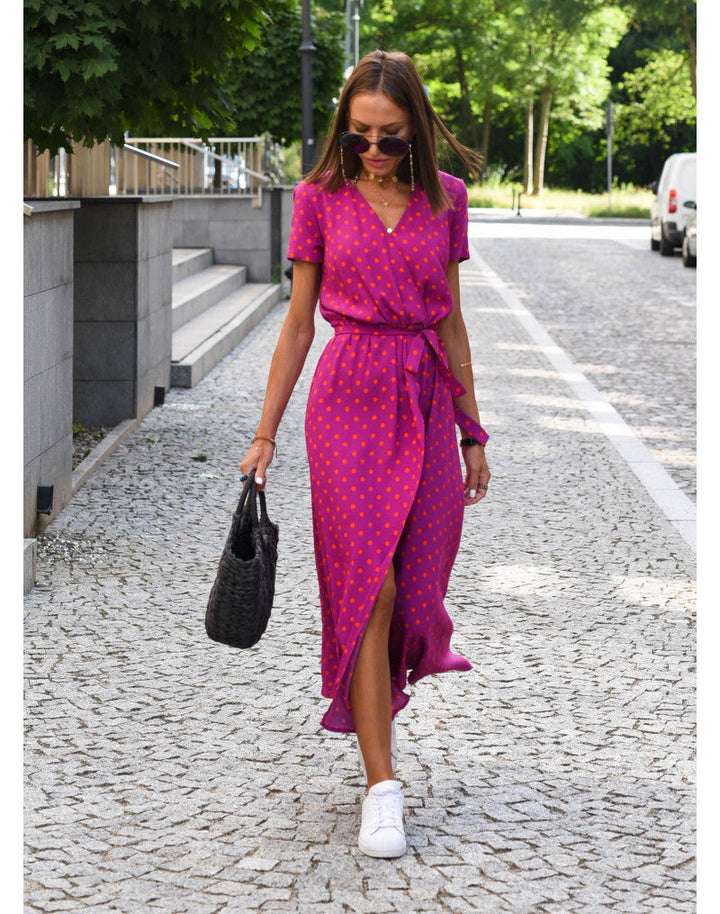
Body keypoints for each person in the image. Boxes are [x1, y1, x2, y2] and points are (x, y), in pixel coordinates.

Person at [239, 49, 490, 858]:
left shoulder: (446, 199)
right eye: (358, 138)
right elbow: (297, 325)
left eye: (387, 138)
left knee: (418, 597)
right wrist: (265, 432)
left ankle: (383, 716)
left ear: (415, 128)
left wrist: (471, 428)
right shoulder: (317, 198)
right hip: (347, 399)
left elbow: (451, 322)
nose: (372, 153)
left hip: (422, 395)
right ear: (342, 135)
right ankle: (383, 787)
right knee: (369, 591)